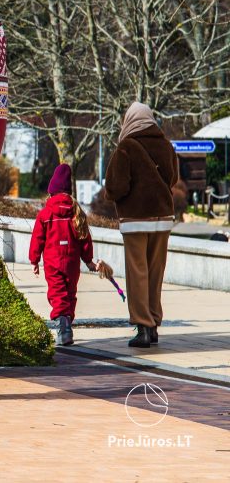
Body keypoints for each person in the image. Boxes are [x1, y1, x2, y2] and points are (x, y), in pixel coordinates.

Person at [105, 102, 178, 348]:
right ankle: (155, 324)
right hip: (163, 218)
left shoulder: (126, 146)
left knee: (138, 272)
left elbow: (116, 187)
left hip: (135, 220)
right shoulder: (166, 146)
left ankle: (142, 327)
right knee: (156, 272)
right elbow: (174, 179)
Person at [28, 164, 98, 346]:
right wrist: (89, 260)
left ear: (51, 192)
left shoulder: (45, 214)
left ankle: (64, 328)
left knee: (57, 294)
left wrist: (34, 260)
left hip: (52, 263)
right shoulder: (76, 213)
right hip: (72, 264)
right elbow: (85, 239)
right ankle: (67, 325)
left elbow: (37, 239)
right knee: (70, 294)